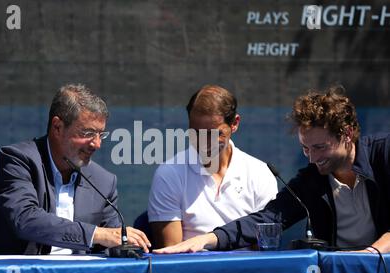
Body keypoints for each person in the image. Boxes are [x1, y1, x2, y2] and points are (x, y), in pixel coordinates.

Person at [154, 85, 390, 254]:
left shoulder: (384, 153)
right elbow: (267, 219)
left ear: (347, 134)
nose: (313, 158)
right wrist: (209, 239)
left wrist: (372, 254)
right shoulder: (311, 180)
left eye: (320, 147)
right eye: (305, 148)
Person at [0, 84, 150, 255]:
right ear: (57, 127)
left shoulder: (104, 181)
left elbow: (111, 240)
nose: (97, 144)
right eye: (88, 133)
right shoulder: (18, 160)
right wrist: (96, 234)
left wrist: (131, 246)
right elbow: (25, 220)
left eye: (101, 134)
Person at [147, 85, 278, 248]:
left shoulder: (260, 173)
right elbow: (172, 256)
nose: (203, 142)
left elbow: (265, 252)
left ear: (234, 124)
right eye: (196, 132)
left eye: (213, 134)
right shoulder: (169, 174)